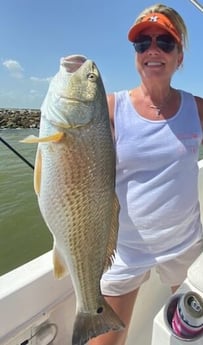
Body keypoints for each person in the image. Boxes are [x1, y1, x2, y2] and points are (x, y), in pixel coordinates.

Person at [89, 3, 203, 345]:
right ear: (136, 54)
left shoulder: (197, 109)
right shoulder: (109, 108)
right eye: (143, 43)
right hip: (124, 250)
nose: (153, 50)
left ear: (180, 55)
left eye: (165, 42)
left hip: (186, 244)